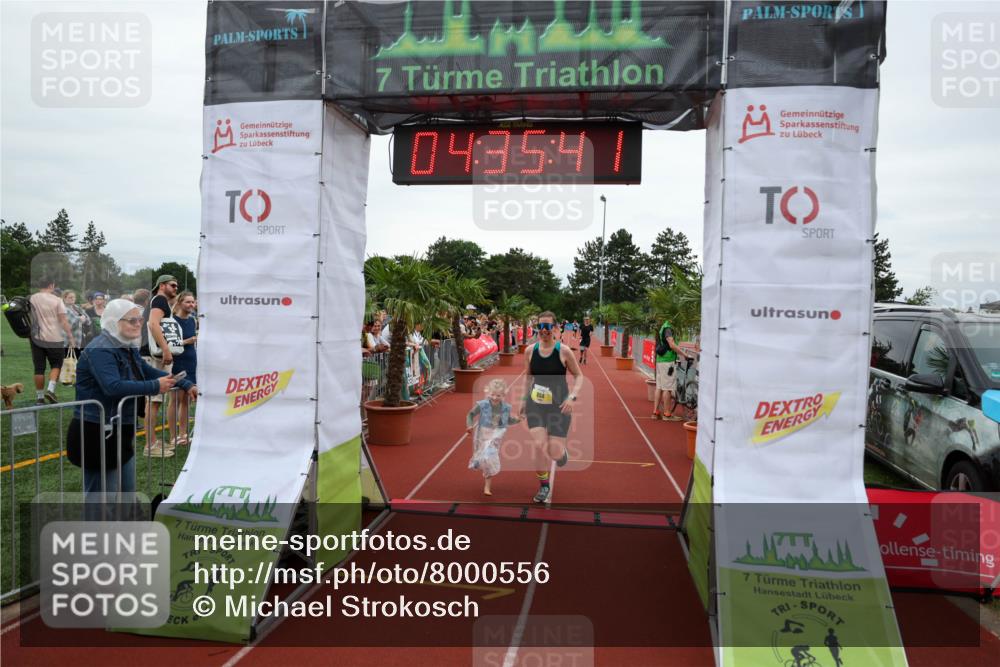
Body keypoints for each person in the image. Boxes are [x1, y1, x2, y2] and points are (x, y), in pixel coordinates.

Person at [67, 299, 196, 498]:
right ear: (112, 322)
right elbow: (113, 386)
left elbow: (145, 370)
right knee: (101, 496)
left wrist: (185, 384)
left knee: (127, 492)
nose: (138, 324)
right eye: (132, 320)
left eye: (139, 320)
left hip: (120, 428)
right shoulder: (101, 348)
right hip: (96, 430)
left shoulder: (126, 345)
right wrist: (155, 386)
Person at [518, 311, 584, 504]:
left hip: (559, 406)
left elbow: (579, 376)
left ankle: (561, 453)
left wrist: (573, 397)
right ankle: (544, 486)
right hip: (536, 405)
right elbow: (528, 377)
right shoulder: (530, 351)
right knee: (539, 446)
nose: (544, 331)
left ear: (555, 329)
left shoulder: (563, 351)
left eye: (548, 327)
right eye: (541, 327)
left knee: (554, 452)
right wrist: (523, 400)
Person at [141, 275, 180, 457]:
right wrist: (166, 349)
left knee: (154, 400)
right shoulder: (160, 300)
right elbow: (153, 323)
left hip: (151, 354)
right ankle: (150, 445)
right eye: (173, 285)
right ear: (162, 285)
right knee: (154, 401)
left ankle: (153, 441)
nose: (175, 288)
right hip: (154, 355)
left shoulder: (157, 300)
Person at [466, 379, 521, 496]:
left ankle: (487, 486)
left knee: (489, 458)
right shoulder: (482, 404)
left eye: (498, 395)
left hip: (496, 434)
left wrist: (518, 420)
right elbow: (470, 414)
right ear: (488, 392)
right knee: (483, 457)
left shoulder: (506, 407)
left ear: (504, 395)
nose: (495, 397)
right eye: (492, 394)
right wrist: (469, 425)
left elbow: (508, 421)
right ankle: (478, 460)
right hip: (483, 433)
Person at [29, 276, 74, 404]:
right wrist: (70, 336)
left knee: (38, 368)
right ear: (52, 285)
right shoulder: (57, 300)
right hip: (54, 337)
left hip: (36, 337)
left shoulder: (32, 298)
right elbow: (63, 321)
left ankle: (39, 398)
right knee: (56, 365)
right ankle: (51, 389)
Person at [170, 291, 198, 446]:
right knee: (174, 399)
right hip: (177, 362)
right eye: (188, 302)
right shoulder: (172, 321)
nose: (191, 305)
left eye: (193, 302)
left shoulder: (193, 320)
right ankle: (174, 436)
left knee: (186, 399)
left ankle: (183, 435)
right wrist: (189, 341)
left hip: (191, 361)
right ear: (180, 303)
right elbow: (171, 344)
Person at [652, 317, 690, 421]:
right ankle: (667, 414)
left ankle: (655, 412)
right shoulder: (668, 328)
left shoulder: (663, 327)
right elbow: (672, 345)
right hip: (667, 362)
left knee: (659, 387)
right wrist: (684, 354)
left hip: (660, 361)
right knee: (667, 389)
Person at [62, 290, 91, 357]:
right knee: (69, 359)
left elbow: (88, 319)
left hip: (80, 337)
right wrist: (80, 319)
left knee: (79, 358)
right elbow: (70, 325)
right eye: (70, 297)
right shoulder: (64, 309)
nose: (72, 299)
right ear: (64, 298)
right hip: (69, 339)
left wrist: (82, 319)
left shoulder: (76, 307)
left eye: (74, 297)